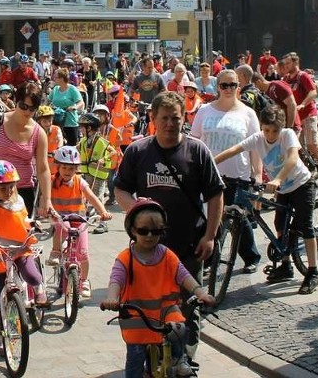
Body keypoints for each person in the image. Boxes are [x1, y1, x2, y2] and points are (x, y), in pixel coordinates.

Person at [114, 91, 224, 361]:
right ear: (152, 119)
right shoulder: (138, 151)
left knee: (188, 305)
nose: (170, 124)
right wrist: (139, 213)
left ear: (183, 117)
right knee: (148, 305)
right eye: (164, 118)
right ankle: (152, 356)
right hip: (148, 248)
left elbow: (215, 195)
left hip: (189, 245)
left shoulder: (197, 150)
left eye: (175, 118)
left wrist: (209, 236)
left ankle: (186, 359)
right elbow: (121, 190)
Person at [101, 199, 217, 378]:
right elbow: (116, 280)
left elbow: (184, 275)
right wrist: (112, 297)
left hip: (165, 310)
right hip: (136, 315)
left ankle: (179, 360)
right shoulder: (126, 258)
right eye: (143, 230)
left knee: (179, 329)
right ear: (133, 230)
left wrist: (200, 292)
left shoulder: (167, 255)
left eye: (156, 231)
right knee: (135, 357)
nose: (149, 236)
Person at [213, 105, 318, 294]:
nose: (270, 135)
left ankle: (313, 272)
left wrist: (278, 179)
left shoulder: (287, 135)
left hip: (301, 184)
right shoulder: (258, 138)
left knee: (305, 226)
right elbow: (235, 149)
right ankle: (286, 266)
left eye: (274, 130)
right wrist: (211, 162)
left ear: (282, 127)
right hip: (283, 189)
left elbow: (293, 158)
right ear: (262, 127)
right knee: (280, 224)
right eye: (266, 130)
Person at [191, 70, 263, 274]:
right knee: (211, 219)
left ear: (238, 86)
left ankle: (251, 256)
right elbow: (195, 141)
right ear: (217, 87)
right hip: (208, 174)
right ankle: (210, 257)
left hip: (237, 174)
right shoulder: (205, 111)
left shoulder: (247, 113)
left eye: (233, 85)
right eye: (224, 85)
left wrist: (257, 173)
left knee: (240, 218)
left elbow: (255, 146)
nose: (229, 89)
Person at [0, 82, 53, 218]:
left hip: (23, 192)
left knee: (20, 237)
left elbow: (43, 169)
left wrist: (47, 200)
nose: (27, 112)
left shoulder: (39, 133)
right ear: (16, 102)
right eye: (24, 106)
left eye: (32, 108)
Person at [0, 160, 47, 305]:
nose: (8, 192)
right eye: (3, 189)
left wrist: (33, 223)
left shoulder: (18, 201)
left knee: (31, 276)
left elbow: (24, 220)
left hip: (19, 248)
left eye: (11, 187)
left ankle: (39, 288)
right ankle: (4, 317)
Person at [47, 146, 110, 298]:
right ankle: (55, 251)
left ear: (76, 169)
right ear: (58, 167)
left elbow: (92, 197)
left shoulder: (79, 181)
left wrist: (103, 211)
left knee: (84, 253)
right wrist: (45, 208)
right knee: (63, 227)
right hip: (59, 217)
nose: (67, 171)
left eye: (71, 168)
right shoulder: (51, 180)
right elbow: (44, 197)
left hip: (79, 218)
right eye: (64, 167)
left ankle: (84, 281)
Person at [283, 52, 318, 169]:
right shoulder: (286, 78)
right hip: (295, 117)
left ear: (295, 63)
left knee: (312, 143)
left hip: (308, 113)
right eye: (285, 64)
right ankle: (303, 168)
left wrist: (302, 104)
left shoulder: (303, 76)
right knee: (296, 146)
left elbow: (313, 92)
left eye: (288, 63)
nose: (286, 66)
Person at [78, 112, 115, 215]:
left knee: (98, 197)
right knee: (85, 195)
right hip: (87, 173)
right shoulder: (83, 141)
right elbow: (75, 149)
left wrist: (104, 158)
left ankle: (103, 222)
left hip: (99, 174)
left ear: (89, 128)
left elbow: (113, 151)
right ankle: (82, 217)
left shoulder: (101, 141)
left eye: (81, 127)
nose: (80, 130)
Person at [93, 104, 122, 206]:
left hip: (111, 158)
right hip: (98, 158)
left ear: (107, 116)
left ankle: (112, 197)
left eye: (101, 114)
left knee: (110, 179)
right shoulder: (93, 129)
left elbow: (118, 143)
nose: (99, 116)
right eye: (96, 114)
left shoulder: (113, 130)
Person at [48, 67, 84, 146]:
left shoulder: (72, 89)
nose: (54, 79)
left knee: (72, 145)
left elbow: (81, 102)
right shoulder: (55, 89)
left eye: (56, 77)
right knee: (56, 145)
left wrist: (74, 107)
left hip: (70, 121)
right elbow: (48, 101)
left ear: (62, 78)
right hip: (57, 120)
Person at [35, 105, 63, 175]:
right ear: (39, 121)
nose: (48, 123)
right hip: (40, 161)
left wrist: (58, 149)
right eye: (44, 121)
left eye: (50, 121)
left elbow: (60, 140)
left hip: (53, 161)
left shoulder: (56, 129)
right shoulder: (36, 131)